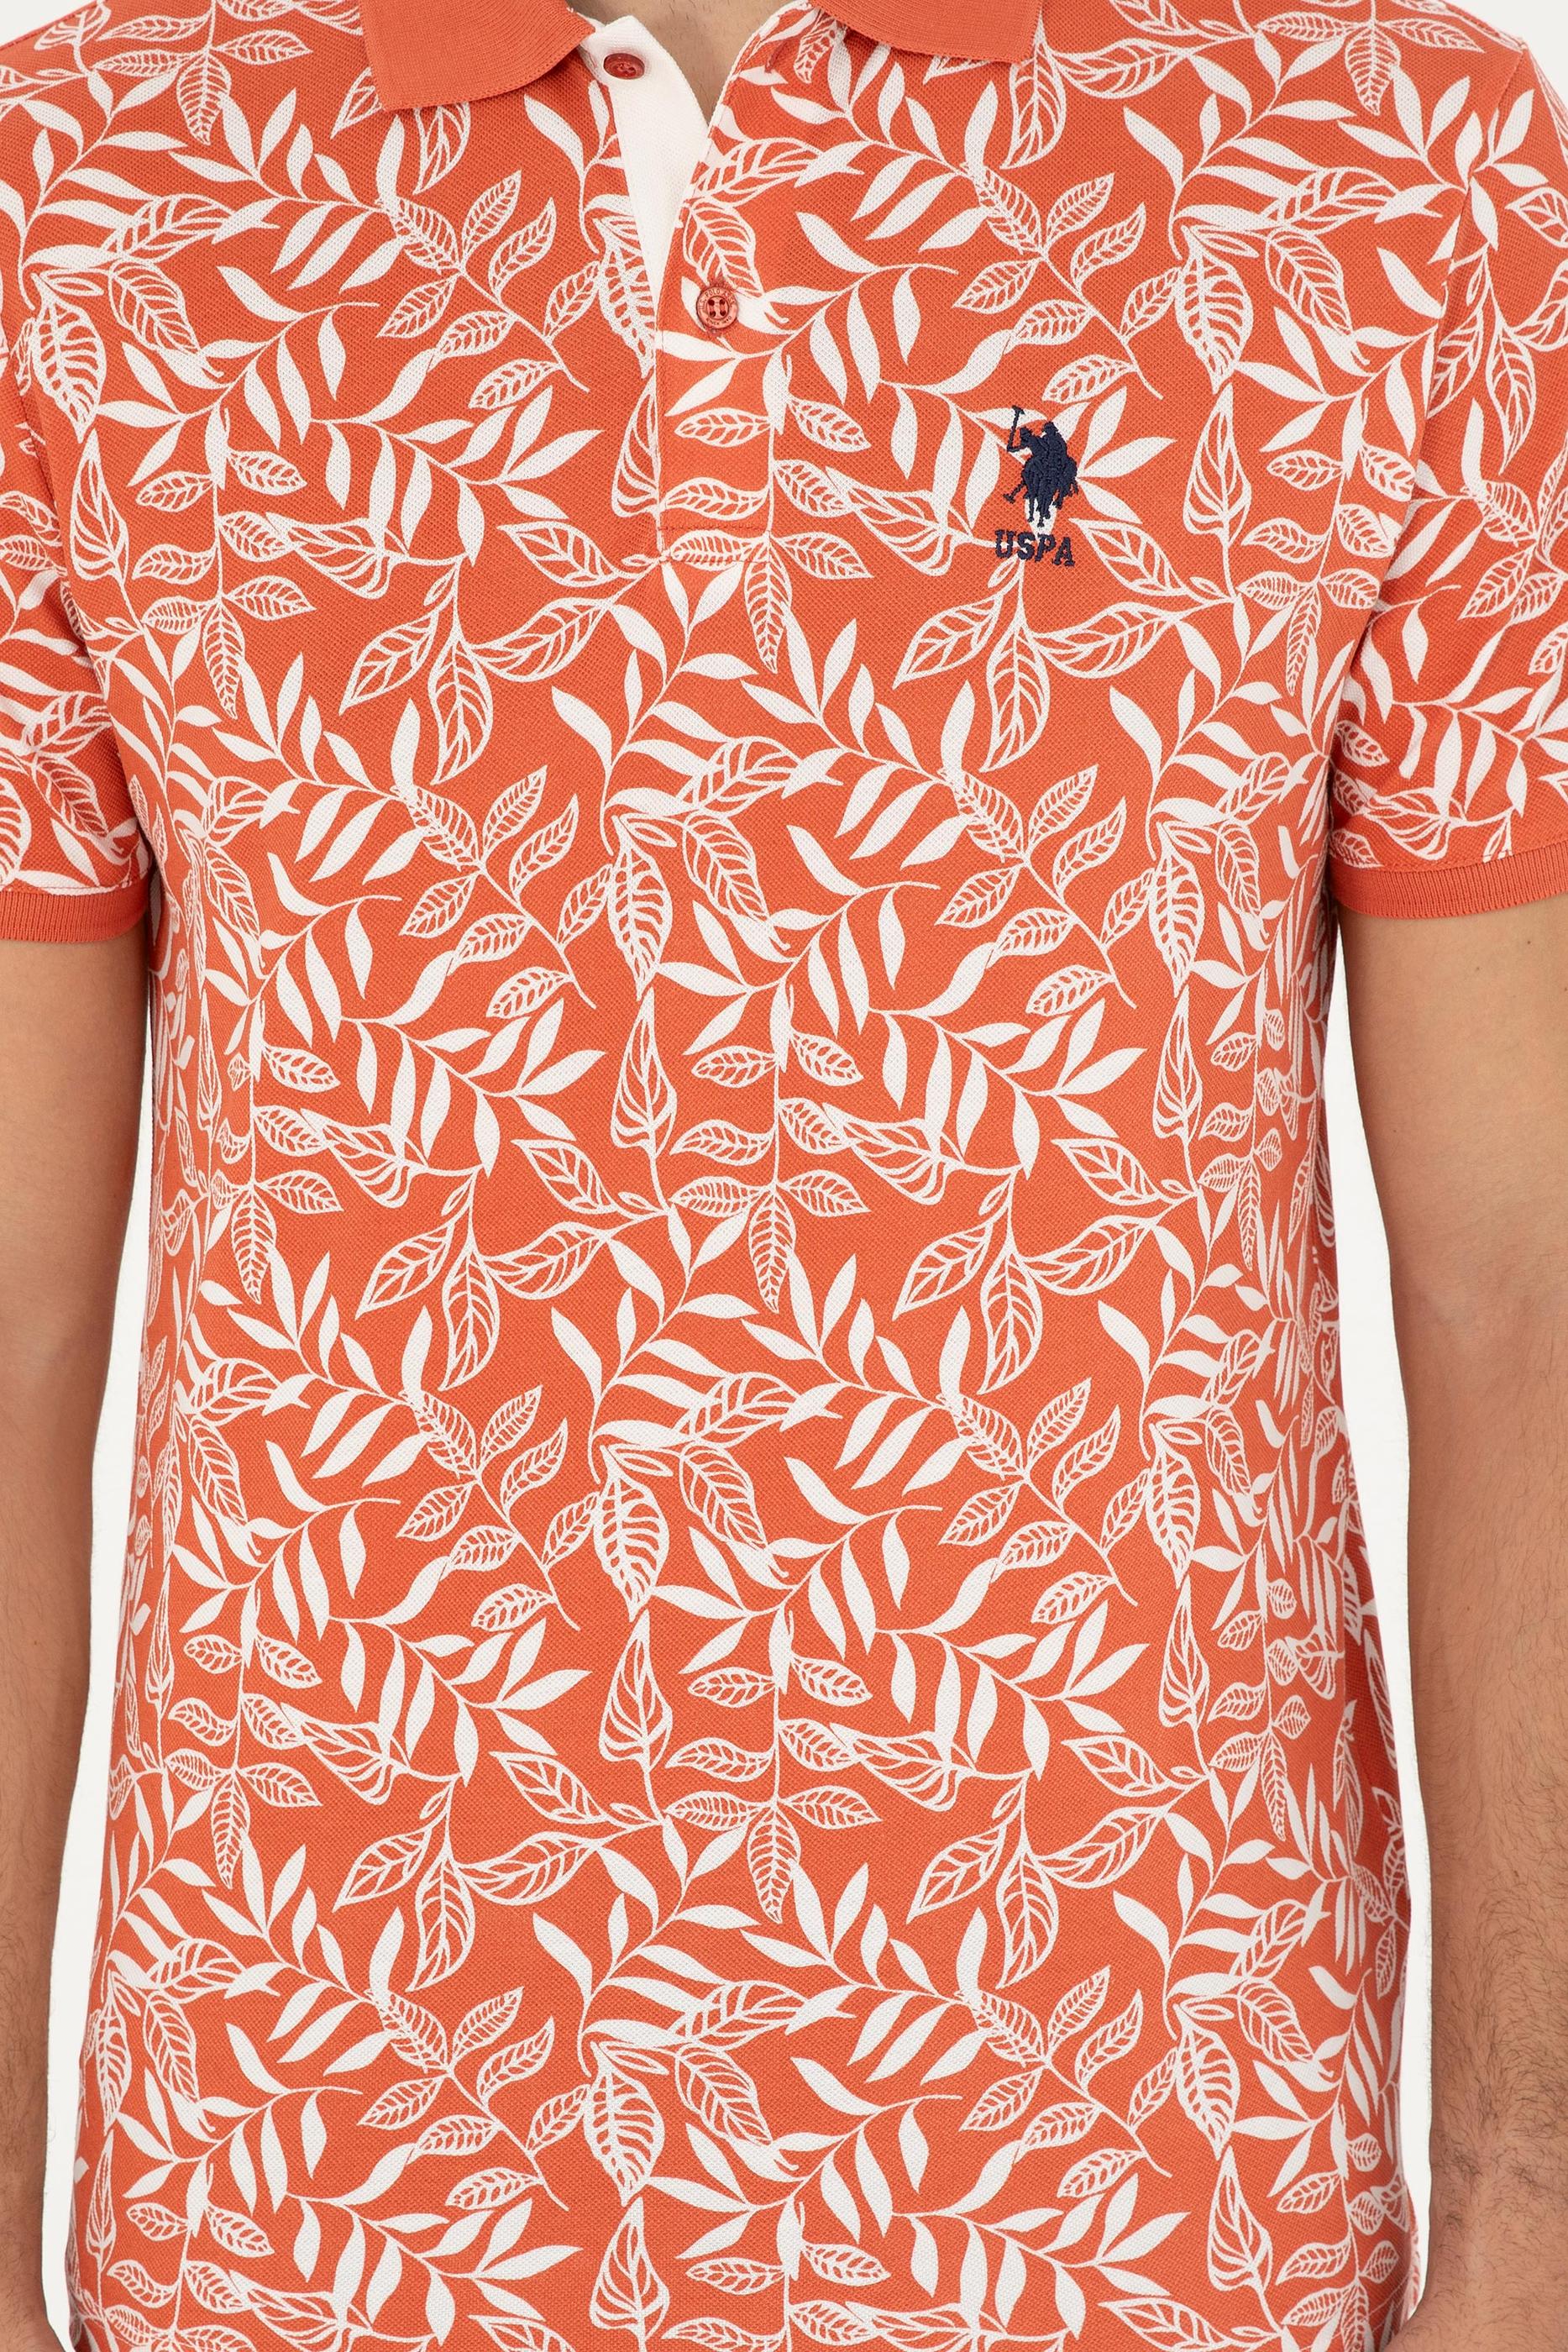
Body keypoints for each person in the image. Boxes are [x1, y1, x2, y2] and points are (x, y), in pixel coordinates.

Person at [2, 0, 1566, 2344]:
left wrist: (1532, 2229)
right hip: (304, 2212)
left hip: (1148, 2208)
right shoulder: (88, 189)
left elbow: (1521, 1297)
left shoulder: (1386, 162)